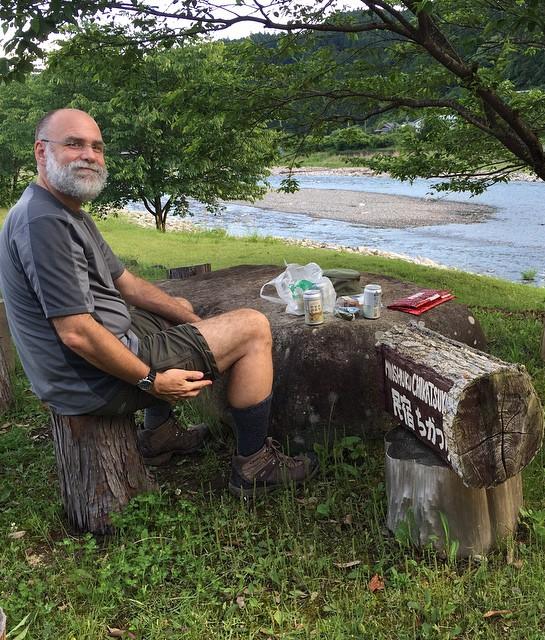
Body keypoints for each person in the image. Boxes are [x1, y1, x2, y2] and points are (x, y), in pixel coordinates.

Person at [0, 108, 318, 497]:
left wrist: (186, 316)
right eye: (74, 144)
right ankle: (253, 466)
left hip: (99, 353)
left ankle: (160, 435)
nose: (89, 155)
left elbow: (128, 283)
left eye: (97, 147)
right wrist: (152, 381)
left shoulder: (64, 210)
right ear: (40, 150)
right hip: (87, 381)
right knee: (253, 327)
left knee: (174, 302)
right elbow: (77, 334)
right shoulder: (43, 223)